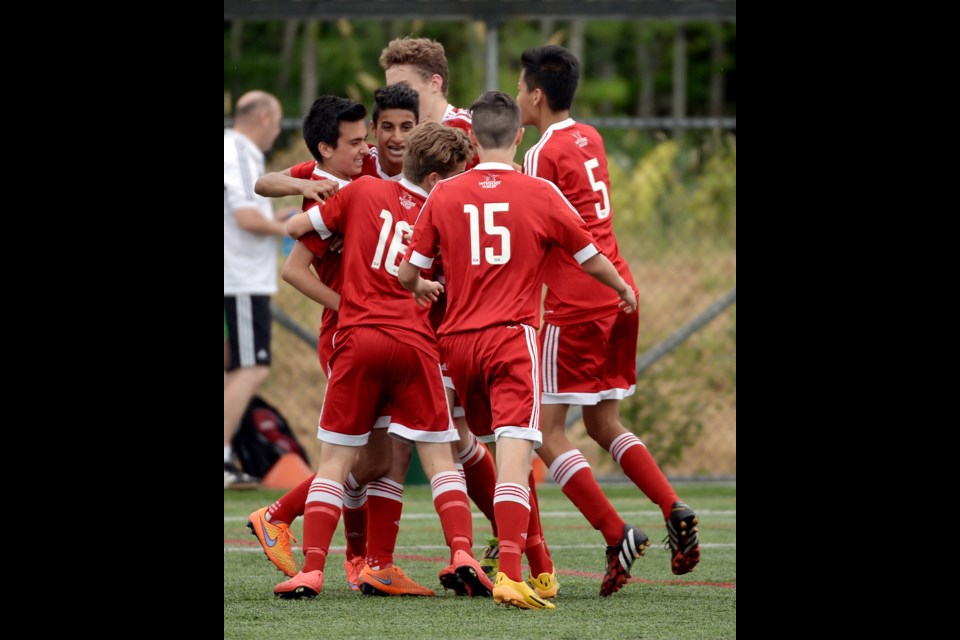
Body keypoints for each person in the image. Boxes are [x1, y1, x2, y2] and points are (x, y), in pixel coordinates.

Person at [399, 91, 638, 610]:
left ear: (473, 137)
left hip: (458, 346)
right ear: (519, 136)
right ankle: (510, 573)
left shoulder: (444, 194)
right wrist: (621, 288)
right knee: (514, 459)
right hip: (512, 338)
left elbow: (407, 272)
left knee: (487, 451)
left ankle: (541, 568)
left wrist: (419, 287)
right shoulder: (541, 192)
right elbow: (589, 254)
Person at [273, 121, 493, 600]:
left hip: (355, 336)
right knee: (441, 458)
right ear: (437, 181)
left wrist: (337, 228)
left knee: (335, 461)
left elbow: (293, 228)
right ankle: (461, 553)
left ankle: (311, 571)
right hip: (415, 343)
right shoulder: (446, 212)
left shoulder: (364, 189)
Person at [516, 45, 700, 583]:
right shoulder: (589, 136)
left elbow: (538, 227)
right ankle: (673, 509)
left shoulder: (539, 153)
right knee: (603, 421)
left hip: (576, 302)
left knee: (546, 433)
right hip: (621, 290)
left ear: (536, 95)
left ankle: (615, 531)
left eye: (522, 86)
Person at [224, 90, 286, 489]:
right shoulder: (241, 149)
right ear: (263, 118)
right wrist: (287, 228)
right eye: (278, 123)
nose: (278, 132)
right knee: (252, 367)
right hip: (241, 278)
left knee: (233, 368)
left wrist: (273, 216)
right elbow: (246, 216)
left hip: (235, 275)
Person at [379, 36, 479, 167]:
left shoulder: (471, 131)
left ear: (435, 84)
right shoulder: (395, 139)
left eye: (403, 88)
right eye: (391, 91)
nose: (396, 98)